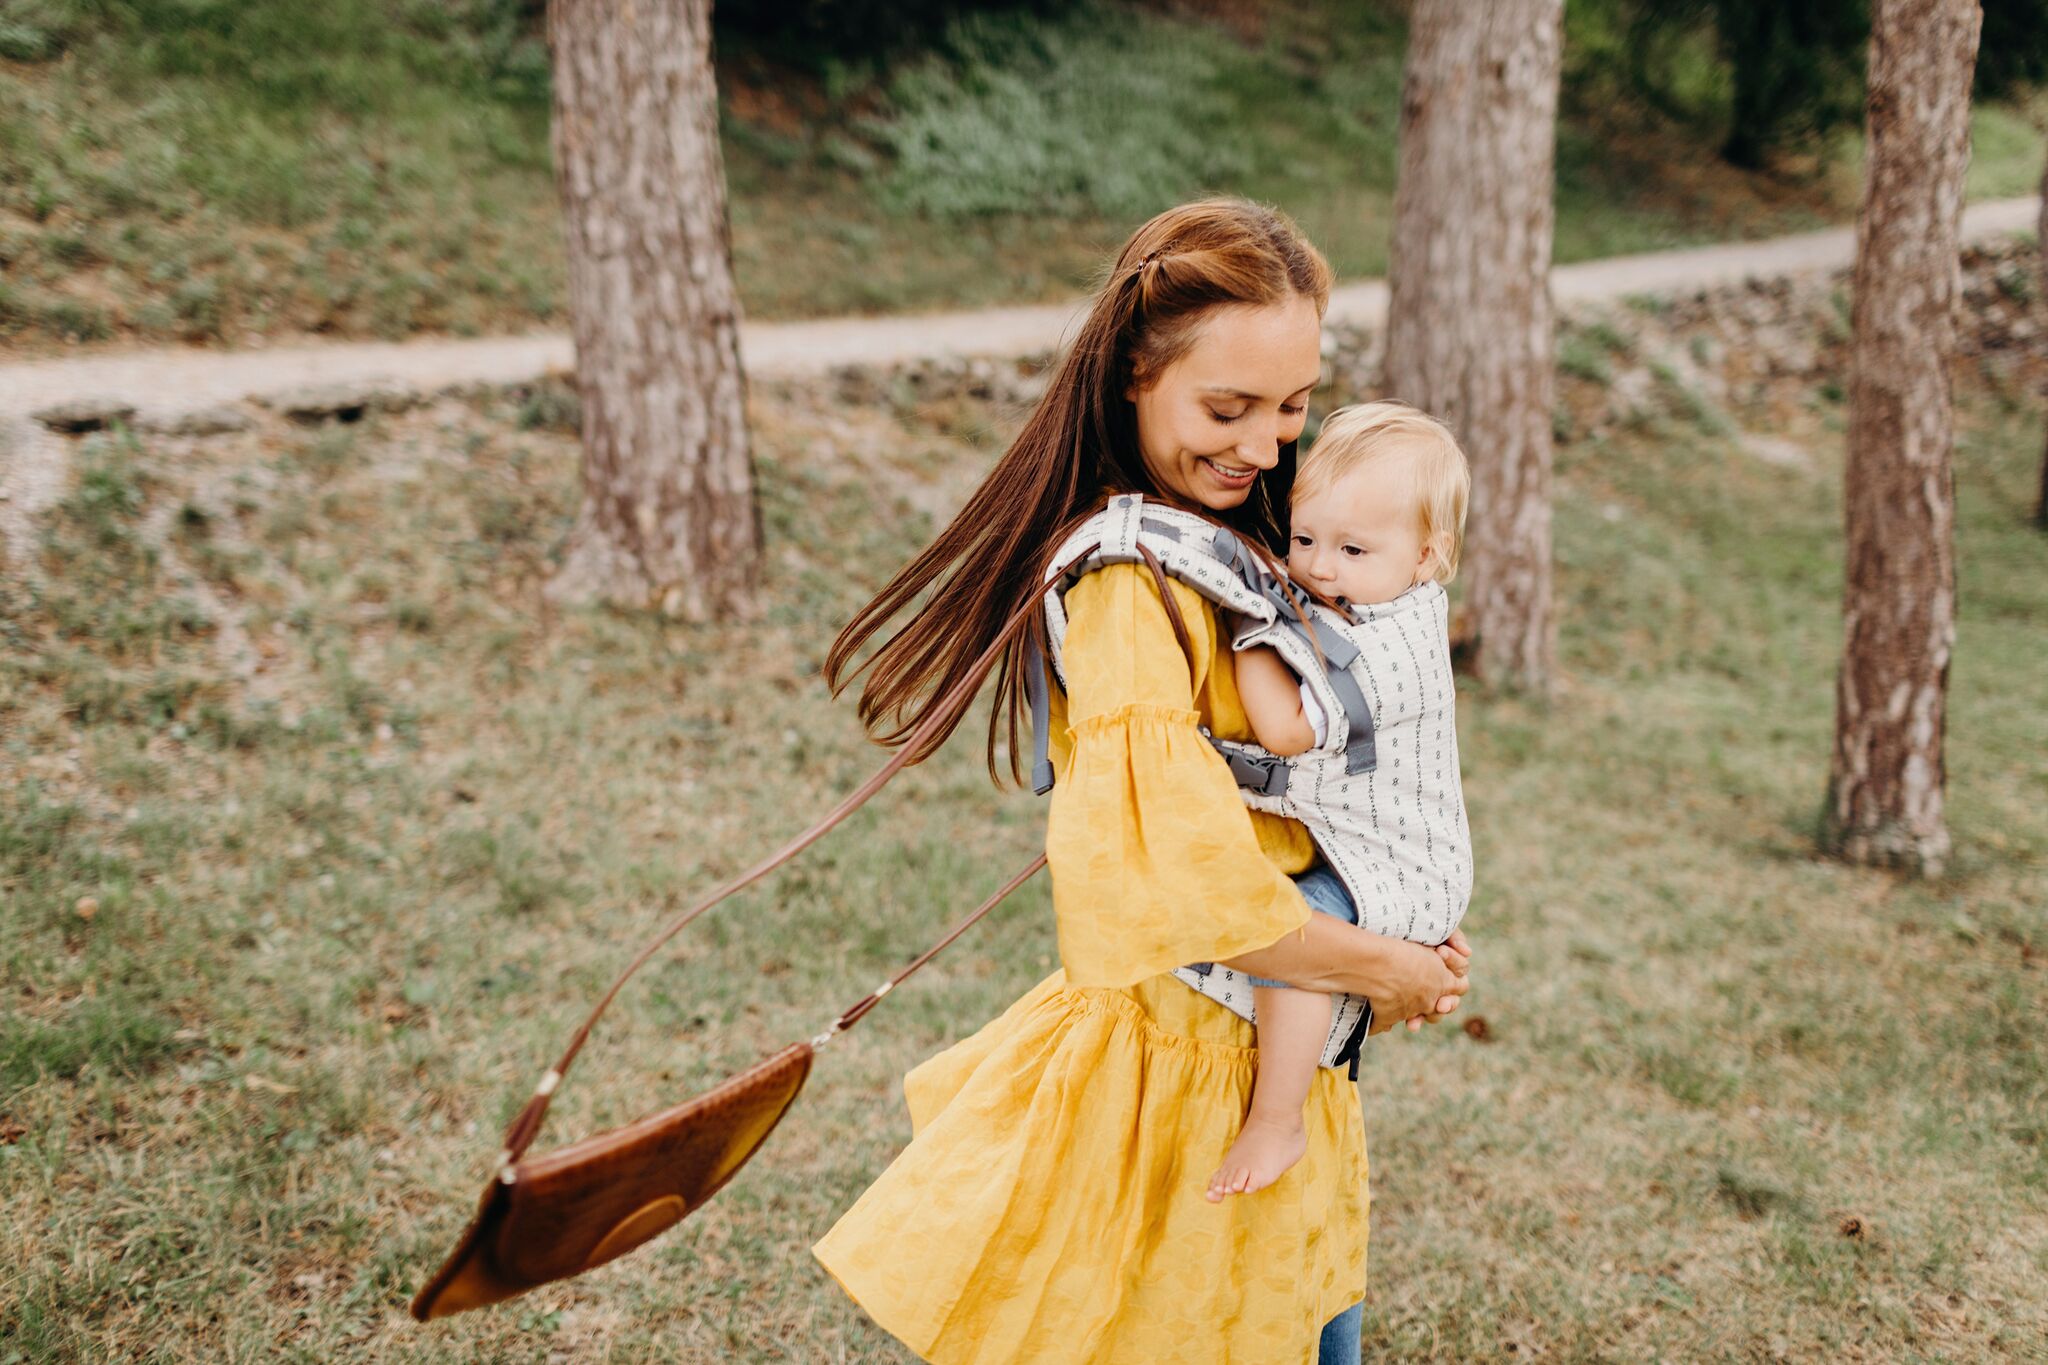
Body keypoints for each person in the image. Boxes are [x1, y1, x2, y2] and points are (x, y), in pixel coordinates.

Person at [812, 198, 1473, 1365]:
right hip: (1179, 1076)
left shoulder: (1236, 540)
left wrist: (1391, 929)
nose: (1264, 446)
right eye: (1227, 408)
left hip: (1262, 1049)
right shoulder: (1131, 587)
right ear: (1132, 372)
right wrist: (1390, 969)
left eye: (1290, 408)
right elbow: (1183, 891)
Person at [1204, 401, 1475, 1204]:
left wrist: (1247, 626)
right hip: (1375, 839)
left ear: (1430, 556)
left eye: (1353, 549)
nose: (1320, 568)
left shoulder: (1394, 647)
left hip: (1401, 864)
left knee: (1298, 935)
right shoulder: (1366, 595)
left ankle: (1276, 1117)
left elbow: (1286, 728)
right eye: (1306, 539)